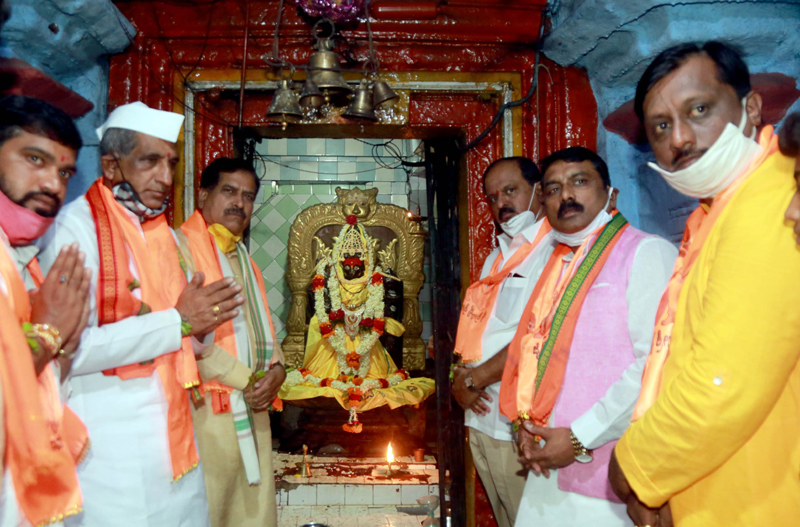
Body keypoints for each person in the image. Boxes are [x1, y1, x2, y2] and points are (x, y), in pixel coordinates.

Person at [608, 42, 800, 527]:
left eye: (699, 109)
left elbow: (726, 381)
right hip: (717, 486)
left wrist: (634, 467)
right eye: (661, 126)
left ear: (750, 108)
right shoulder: (716, 208)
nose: (681, 139)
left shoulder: (773, 200)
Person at [38, 101, 243, 527]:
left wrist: (202, 325)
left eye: (170, 163)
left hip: (177, 441)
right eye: (149, 162)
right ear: (112, 166)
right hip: (109, 450)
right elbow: (73, 348)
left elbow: (184, 336)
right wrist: (180, 321)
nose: (166, 179)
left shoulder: (163, 234)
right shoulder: (74, 230)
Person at [499, 147, 676, 527]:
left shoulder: (646, 252)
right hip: (549, 464)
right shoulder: (558, 263)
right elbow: (535, 352)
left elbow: (654, 366)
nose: (566, 196)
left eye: (580, 182)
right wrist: (524, 425)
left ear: (611, 194)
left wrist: (580, 437)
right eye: (554, 188)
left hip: (608, 468)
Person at [175, 157, 285, 527]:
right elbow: (182, 334)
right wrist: (247, 379)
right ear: (203, 195)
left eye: (248, 196)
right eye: (229, 191)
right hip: (206, 414)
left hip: (252, 410)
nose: (240, 203)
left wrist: (278, 372)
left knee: (251, 516)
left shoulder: (242, 257)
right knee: (209, 512)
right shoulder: (180, 249)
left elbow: (263, 330)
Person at [0, 95, 90, 526]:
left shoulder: (26, 261)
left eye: (64, 172)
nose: (54, 184)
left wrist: (61, 346)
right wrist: (51, 333)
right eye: (34, 159)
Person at [450, 157, 549, 527]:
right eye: (493, 197)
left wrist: (473, 381)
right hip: (481, 420)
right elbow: (477, 327)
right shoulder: (497, 254)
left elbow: (536, 337)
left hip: (517, 425)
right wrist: (459, 377)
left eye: (511, 190)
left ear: (539, 190)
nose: (501, 204)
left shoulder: (553, 251)